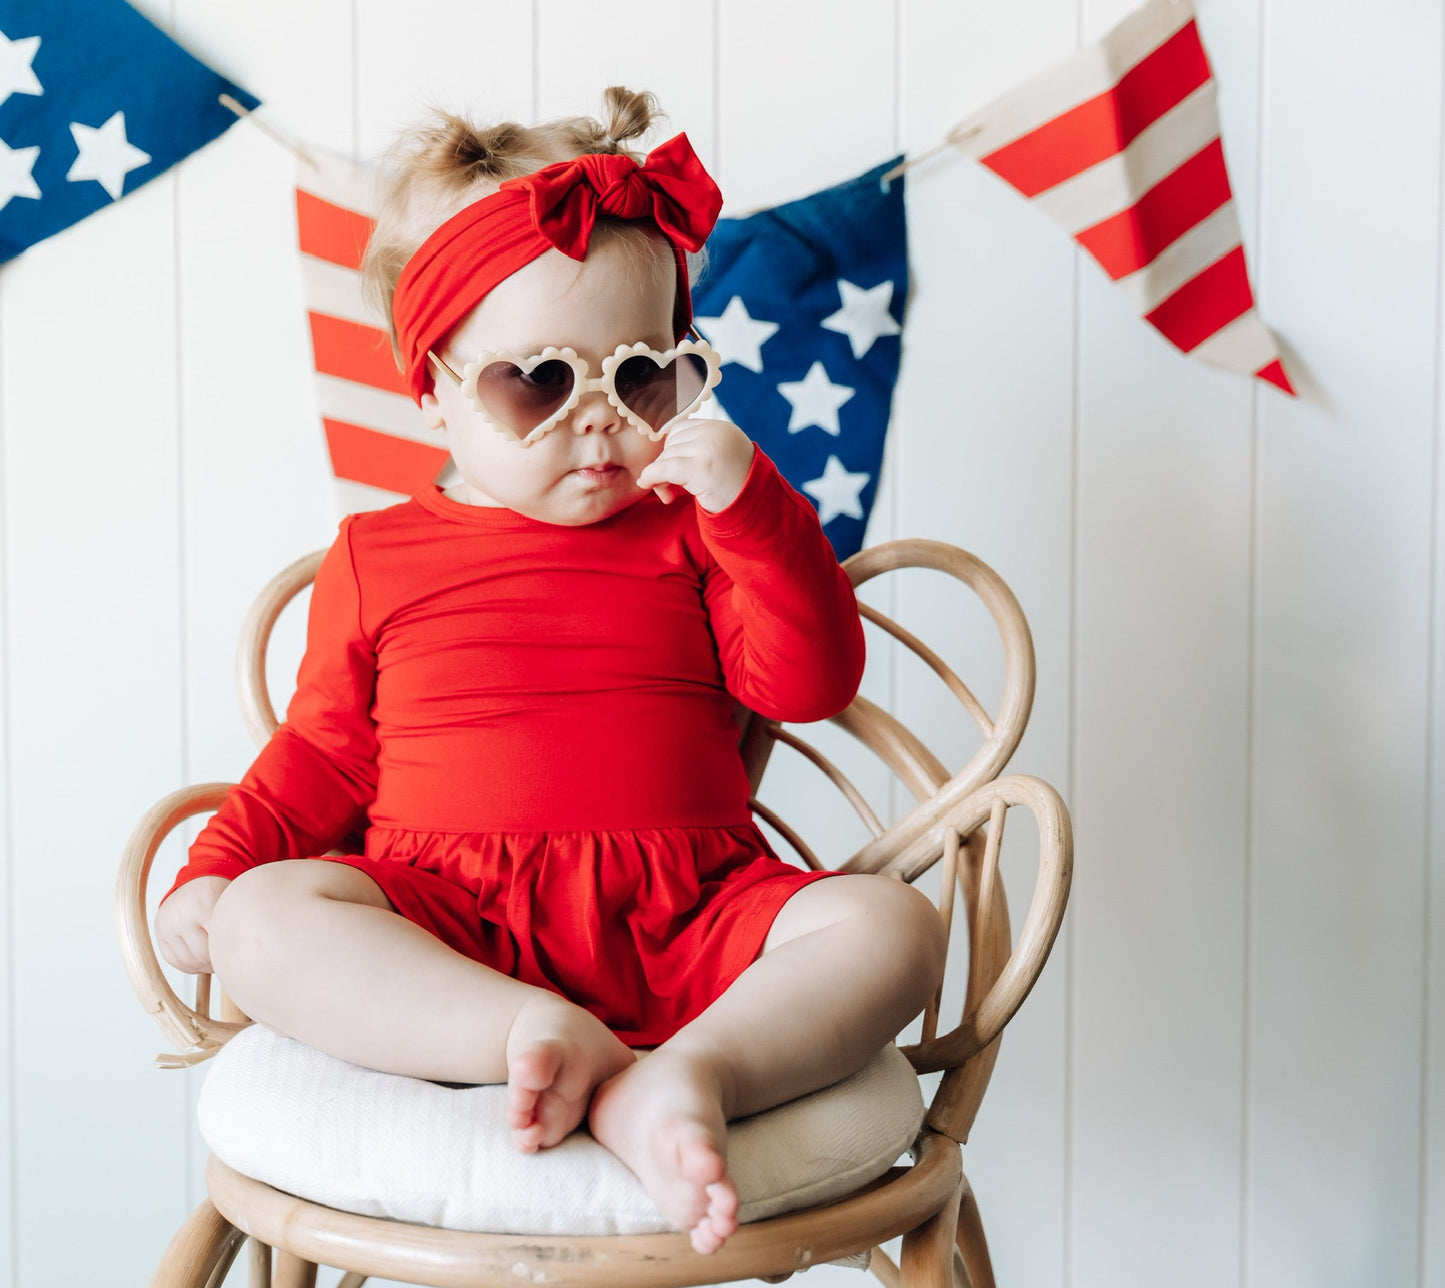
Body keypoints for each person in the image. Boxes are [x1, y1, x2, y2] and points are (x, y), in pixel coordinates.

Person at [153, 86, 947, 1256]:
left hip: (690, 914)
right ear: (429, 389)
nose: (597, 424)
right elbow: (322, 754)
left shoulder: (688, 528)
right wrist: (218, 870)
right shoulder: (379, 556)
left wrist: (749, 505)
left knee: (891, 926)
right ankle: (525, 1035)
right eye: (535, 381)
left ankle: (691, 1077)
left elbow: (806, 681)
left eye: (639, 379)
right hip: (453, 927)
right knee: (268, 919)